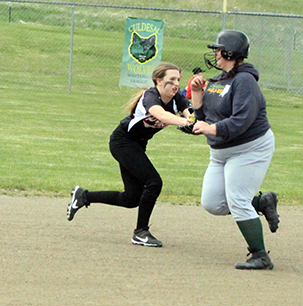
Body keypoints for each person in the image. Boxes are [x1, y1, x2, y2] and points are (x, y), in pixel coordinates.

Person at [67, 62, 193, 247]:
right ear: (158, 80)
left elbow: (190, 118)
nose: (176, 84)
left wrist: (194, 121)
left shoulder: (177, 100)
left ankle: (84, 196)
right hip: (122, 142)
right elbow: (163, 116)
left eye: (178, 80)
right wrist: (186, 122)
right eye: (171, 79)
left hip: (137, 146)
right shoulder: (150, 96)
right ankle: (141, 232)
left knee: (131, 198)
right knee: (154, 182)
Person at [190, 30, 280, 270]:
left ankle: (261, 256)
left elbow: (241, 121)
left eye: (218, 50)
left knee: (238, 200)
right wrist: (198, 95)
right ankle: (261, 202)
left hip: (250, 148)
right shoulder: (220, 80)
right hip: (220, 152)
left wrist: (209, 129)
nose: (215, 54)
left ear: (229, 52)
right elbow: (204, 116)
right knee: (212, 203)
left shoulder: (245, 81)